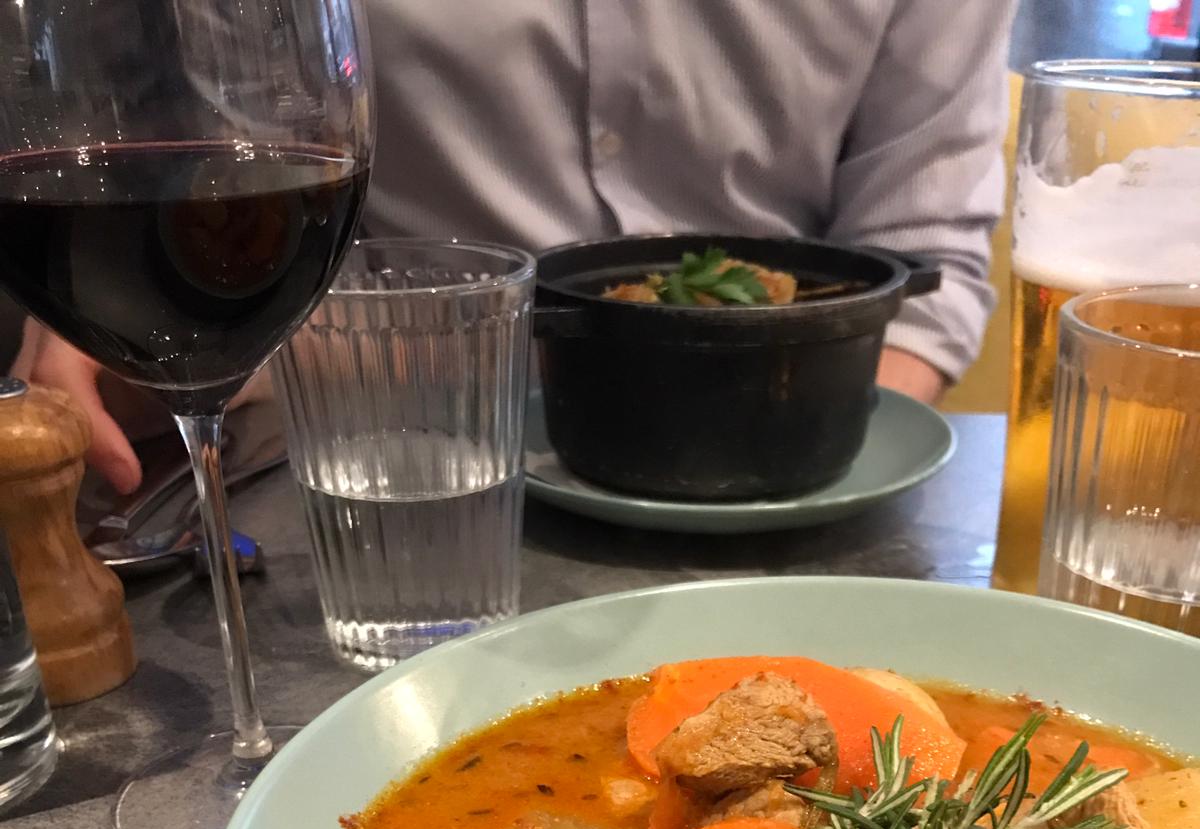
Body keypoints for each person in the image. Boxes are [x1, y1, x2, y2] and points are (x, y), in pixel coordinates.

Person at [14, 0, 1017, 494]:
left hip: (798, 452)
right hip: (405, 463)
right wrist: (196, 324)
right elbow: (259, 216)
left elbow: (922, 255)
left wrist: (780, 459)